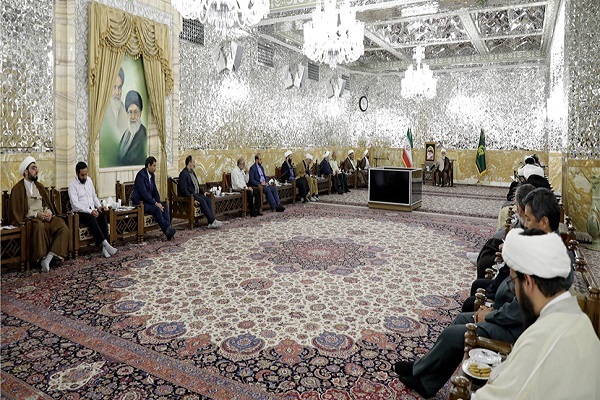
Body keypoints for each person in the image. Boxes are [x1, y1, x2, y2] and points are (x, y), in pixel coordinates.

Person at [394, 187, 568, 398]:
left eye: (529, 219)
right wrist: (494, 306)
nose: (526, 223)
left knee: (454, 334)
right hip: (509, 316)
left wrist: (491, 314)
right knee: (461, 318)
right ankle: (426, 379)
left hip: (518, 330)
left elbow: (522, 309)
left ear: (544, 222)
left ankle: (418, 373)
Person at [472, 228, 600, 400]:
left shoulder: (540, 339)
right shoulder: (581, 321)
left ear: (529, 282)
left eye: (514, 283)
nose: (515, 291)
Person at [8, 156, 70, 272]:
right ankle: (41, 258)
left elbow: (47, 204)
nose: (37, 171)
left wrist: (48, 213)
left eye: (36, 168)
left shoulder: (40, 186)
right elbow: (18, 212)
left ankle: (50, 257)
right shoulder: (18, 189)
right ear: (26, 172)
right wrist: (37, 215)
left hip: (45, 217)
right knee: (39, 226)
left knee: (61, 225)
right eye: (33, 168)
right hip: (31, 219)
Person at [68, 161, 118, 258]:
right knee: (91, 219)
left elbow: (94, 196)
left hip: (92, 210)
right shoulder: (72, 186)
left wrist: (99, 206)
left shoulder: (89, 180)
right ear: (77, 173)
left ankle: (104, 249)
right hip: (80, 213)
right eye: (82, 175)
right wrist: (90, 211)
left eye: (86, 174)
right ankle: (106, 244)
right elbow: (75, 205)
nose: (84, 177)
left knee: (102, 217)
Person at [133, 156, 176, 240]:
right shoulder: (141, 175)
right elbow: (144, 194)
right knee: (156, 209)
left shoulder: (152, 175)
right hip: (140, 203)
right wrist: (156, 204)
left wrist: (159, 203)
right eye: (154, 166)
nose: (155, 168)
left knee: (164, 206)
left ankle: (168, 228)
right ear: (148, 165)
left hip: (149, 202)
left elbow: (155, 191)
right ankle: (167, 229)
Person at [178, 155, 222, 229]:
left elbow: (197, 185)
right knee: (202, 201)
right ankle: (212, 221)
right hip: (190, 195)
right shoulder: (183, 174)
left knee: (208, 200)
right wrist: (192, 199)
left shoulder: (192, 172)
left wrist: (203, 192)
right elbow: (184, 190)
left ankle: (211, 222)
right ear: (189, 163)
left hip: (196, 193)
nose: (195, 164)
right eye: (194, 162)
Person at [100, 68, 129, 168]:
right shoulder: (101, 112)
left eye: (120, 87)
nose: (117, 92)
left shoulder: (126, 112)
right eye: (114, 87)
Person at [118, 90, 147, 166]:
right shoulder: (127, 132)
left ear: (140, 113)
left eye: (135, 112)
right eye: (130, 112)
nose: (133, 117)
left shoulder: (143, 135)